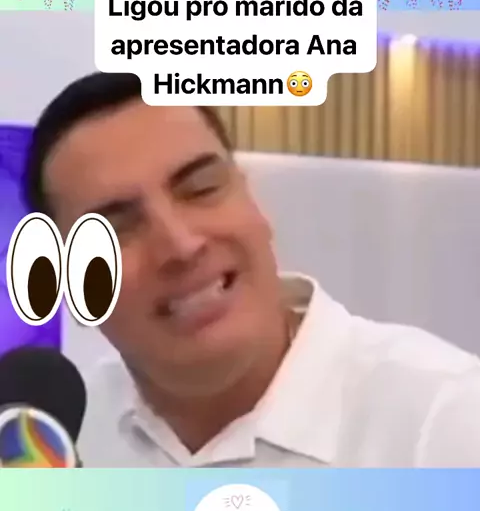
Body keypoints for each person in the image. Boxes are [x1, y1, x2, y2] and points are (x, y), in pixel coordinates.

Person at [24, 71, 480, 468]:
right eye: (117, 229)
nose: (181, 245)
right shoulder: (54, 442)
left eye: (201, 188)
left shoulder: (445, 423)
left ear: (251, 197)